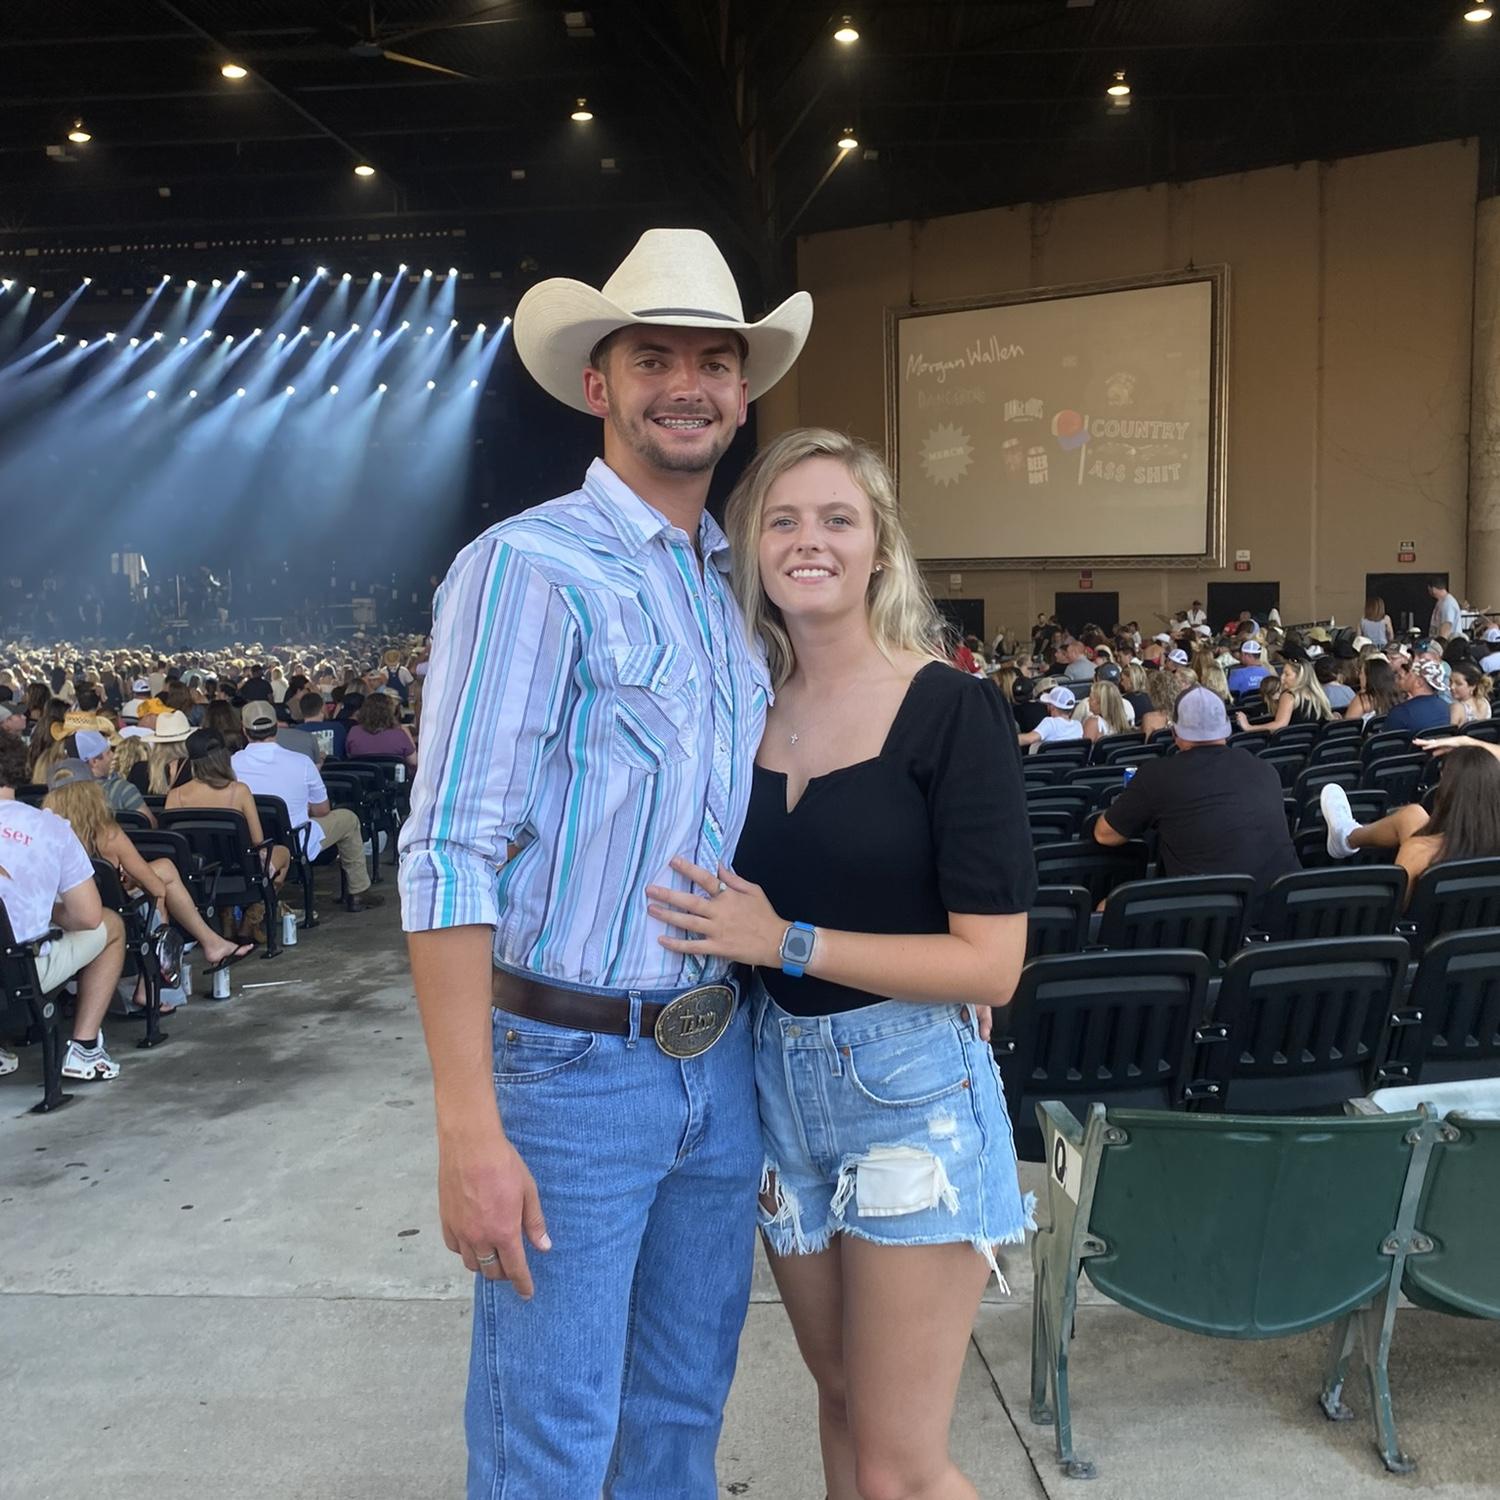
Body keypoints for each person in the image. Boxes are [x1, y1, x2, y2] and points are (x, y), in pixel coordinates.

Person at [397, 227, 811, 1497]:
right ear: (598, 384)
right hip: (569, 1072)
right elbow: (449, 849)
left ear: (743, 393)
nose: (687, 385)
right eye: (653, 360)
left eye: (714, 362)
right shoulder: (525, 566)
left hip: (716, 1060)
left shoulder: (732, 589)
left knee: (680, 1419)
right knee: (552, 1441)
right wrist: (469, 1127)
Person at [647, 427, 1034, 1500]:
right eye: (782, 520)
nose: (807, 540)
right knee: (844, 1402)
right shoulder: (738, 711)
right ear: (751, 551)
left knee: (902, 1467)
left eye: (836, 519)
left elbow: (992, 966)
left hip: (910, 1092)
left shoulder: (952, 709)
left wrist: (787, 942)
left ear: (879, 549)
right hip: (770, 1083)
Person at [43, 761, 254, 1001]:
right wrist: (134, 884)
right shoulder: (108, 835)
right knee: (161, 882)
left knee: (164, 868)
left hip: (59, 915)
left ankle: (212, 943)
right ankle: (158, 977)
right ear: (92, 792)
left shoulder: (44, 836)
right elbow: (155, 888)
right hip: (112, 915)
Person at [1093, 686, 1299, 901]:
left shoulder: (1157, 775)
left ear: (1175, 733)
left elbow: (1105, 835)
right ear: (1226, 730)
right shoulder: (1265, 768)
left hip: (1210, 910)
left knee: (1110, 905)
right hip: (1287, 905)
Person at [0, 736, 126, 1082]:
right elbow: (88, 917)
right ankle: (84, 1047)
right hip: (19, 971)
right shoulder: (50, 828)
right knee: (111, 925)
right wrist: (50, 911)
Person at [231, 708, 380, 912]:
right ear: (276, 728)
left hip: (250, 843)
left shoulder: (231, 764)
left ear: (244, 730)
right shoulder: (301, 762)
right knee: (349, 819)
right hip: (295, 840)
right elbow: (322, 810)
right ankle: (358, 891)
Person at [1321, 744, 1500, 899]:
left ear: (1447, 791)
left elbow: (1395, 912)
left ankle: (1347, 836)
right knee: (1413, 815)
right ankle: (1347, 834)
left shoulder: (1419, 852)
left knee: (1413, 819)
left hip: (1423, 927)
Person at [72, 727, 155, 826]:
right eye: (108, 753)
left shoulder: (69, 794)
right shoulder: (123, 789)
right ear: (94, 761)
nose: (113, 755)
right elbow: (150, 824)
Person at [1233, 658, 1333, 735]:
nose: (1282, 678)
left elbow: (1279, 725)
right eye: (1282, 673)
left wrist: (1249, 727)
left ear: (1299, 676)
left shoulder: (1289, 696)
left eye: (1287, 674)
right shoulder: (1318, 695)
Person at [345, 690, 417, 769]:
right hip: (393, 776)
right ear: (390, 711)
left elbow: (349, 755)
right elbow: (413, 761)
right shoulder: (399, 734)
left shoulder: (354, 732)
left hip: (363, 775)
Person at [1385, 656, 1452, 733]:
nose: (1404, 676)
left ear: (1419, 683)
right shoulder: (1445, 707)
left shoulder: (1401, 712)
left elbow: (1384, 739)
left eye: (1409, 674)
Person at [1018, 685, 1083, 751]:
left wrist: (1011, 738)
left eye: (1048, 704)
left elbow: (1030, 739)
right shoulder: (1078, 726)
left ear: (1052, 707)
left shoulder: (1050, 723)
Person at [1345, 655, 1402, 722]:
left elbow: (1348, 725)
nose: (1359, 676)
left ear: (1369, 677)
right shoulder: (1396, 698)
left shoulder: (1362, 700)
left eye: (1361, 673)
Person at [1447, 661, 1492, 725]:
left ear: (1472, 686)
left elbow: (1449, 730)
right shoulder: (1485, 702)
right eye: (1450, 681)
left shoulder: (1457, 707)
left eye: (1459, 684)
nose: (1452, 687)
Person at [1428, 578, 1462, 642]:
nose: (1429, 592)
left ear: (1433, 589)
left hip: (1449, 643)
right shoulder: (1441, 602)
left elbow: (1446, 626)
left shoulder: (1448, 603)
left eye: (1429, 589)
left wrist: (1440, 644)